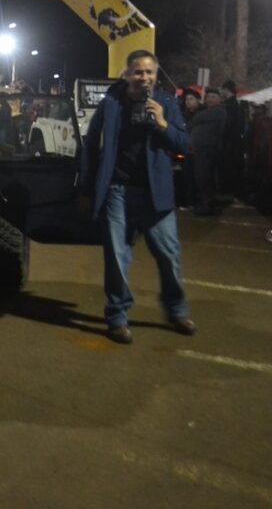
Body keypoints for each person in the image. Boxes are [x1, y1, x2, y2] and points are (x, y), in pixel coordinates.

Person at [81, 50, 195, 344]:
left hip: (156, 194)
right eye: (138, 72)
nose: (144, 77)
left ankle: (176, 310)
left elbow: (184, 143)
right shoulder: (111, 103)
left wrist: (163, 124)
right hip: (117, 191)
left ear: (156, 75)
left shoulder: (166, 102)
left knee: (169, 255)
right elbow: (91, 143)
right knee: (117, 258)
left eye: (149, 72)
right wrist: (87, 187)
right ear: (127, 74)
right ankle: (117, 316)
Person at [190, 87, 226, 216]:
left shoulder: (219, 111)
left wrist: (198, 117)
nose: (210, 99)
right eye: (208, 97)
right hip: (201, 149)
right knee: (202, 177)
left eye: (213, 97)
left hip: (208, 149)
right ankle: (205, 204)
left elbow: (197, 117)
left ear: (219, 99)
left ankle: (206, 206)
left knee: (205, 178)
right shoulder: (208, 112)